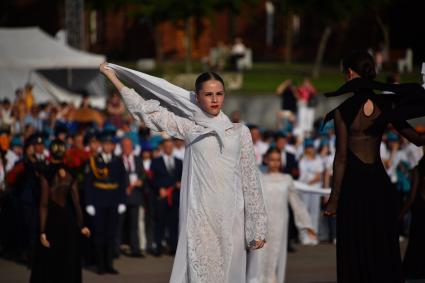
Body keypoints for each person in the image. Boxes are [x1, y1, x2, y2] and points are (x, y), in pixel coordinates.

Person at [100, 62, 267, 283]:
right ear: (197, 98)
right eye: (208, 94)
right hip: (200, 218)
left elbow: (250, 180)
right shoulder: (190, 128)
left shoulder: (240, 132)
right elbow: (148, 112)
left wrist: (257, 226)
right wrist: (113, 77)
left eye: (219, 94)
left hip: (233, 218)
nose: (215, 99)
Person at [323, 50, 425, 283]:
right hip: (379, 184)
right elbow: (418, 139)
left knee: (355, 247)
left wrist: (334, 199)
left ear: (349, 73)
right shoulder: (386, 104)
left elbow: (341, 158)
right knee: (381, 245)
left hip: (353, 187)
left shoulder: (342, 111)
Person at [247, 148, 316, 283]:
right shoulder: (258, 177)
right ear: (266, 160)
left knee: (274, 257)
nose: (275, 163)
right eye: (272, 160)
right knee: (258, 257)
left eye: (278, 160)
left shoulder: (287, 179)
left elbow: (297, 204)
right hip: (261, 225)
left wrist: (307, 225)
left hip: (279, 224)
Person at [30, 139, 90, 283]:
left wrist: (42, 231)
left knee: (49, 260)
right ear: (64, 154)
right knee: (68, 258)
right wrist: (81, 225)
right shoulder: (71, 173)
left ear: (50, 153)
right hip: (68, 219)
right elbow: (76, 202)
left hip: (51, 220)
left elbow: (44, 203)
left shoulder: (45, 173)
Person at [83, 130, 127, 275]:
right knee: (99, 234)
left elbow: (122, 182)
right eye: (106, 144)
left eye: (111, 144)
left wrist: (122, 201)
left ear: (113, 146)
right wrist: (89, 203)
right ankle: (100, 265)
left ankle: (109, 265)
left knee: (111, 234)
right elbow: (88, 183)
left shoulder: (118, 160)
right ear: (102, 145)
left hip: (113, 201)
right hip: (99, 201)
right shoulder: (94, 160)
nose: (108, 147)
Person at [150, 138, 183, 256]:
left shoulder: (179, 162)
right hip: (162, 197)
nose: (169, 148)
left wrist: (180, 183)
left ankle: (173, 248)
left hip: (174, 197)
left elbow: (182, 178)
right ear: (163, 148)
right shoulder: (156, 161)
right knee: (160, 223)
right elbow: (152, 180)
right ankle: (158, 247)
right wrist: (159, 188)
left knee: (174, 224)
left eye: (170, 146)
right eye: (166, 146)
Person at [401, 143, 425, 281]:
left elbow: (412, 196)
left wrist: (401, 214)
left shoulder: (418, 169)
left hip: (419, 209)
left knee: (416, 243)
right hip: (420, 208)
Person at [120, 137, 145, 257]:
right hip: (122, 196)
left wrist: (141, 181)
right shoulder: (118, 160)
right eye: (125, 146)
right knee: (119, 224)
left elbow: (143, 175)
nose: (127, 148)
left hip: (135, 196)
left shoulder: (138, 160)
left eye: (129, 145)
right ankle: (116, 249)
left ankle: (135, 249)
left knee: (133, 224)